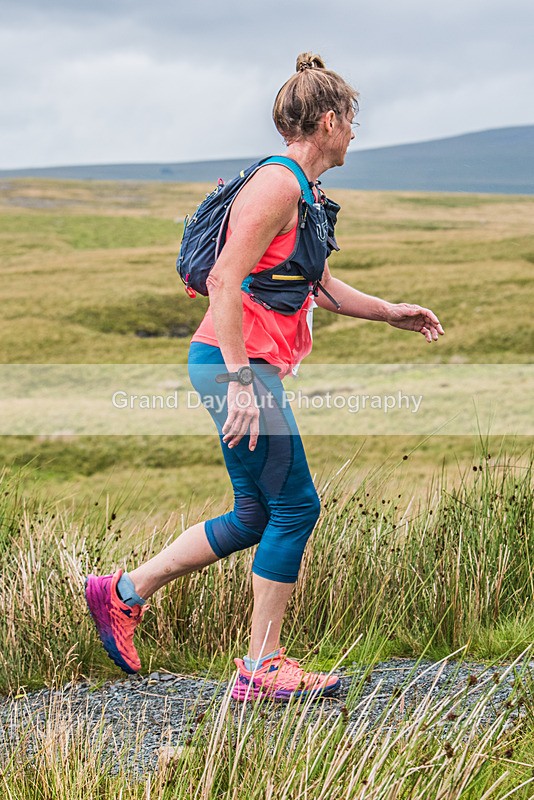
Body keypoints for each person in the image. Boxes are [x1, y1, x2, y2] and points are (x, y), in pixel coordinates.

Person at [85, 52, 444, 702]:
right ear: (329, 120)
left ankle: (123, 592)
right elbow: (224, 279)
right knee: (298, 506)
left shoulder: (305, 194)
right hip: (234, 368)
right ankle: (261, 666)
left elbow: (320, 286)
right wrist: (242, 381)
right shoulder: (278, 185)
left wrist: (392, 312)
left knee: (256, 514)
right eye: (353, 120)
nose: (356, 133)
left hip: (239, 367)